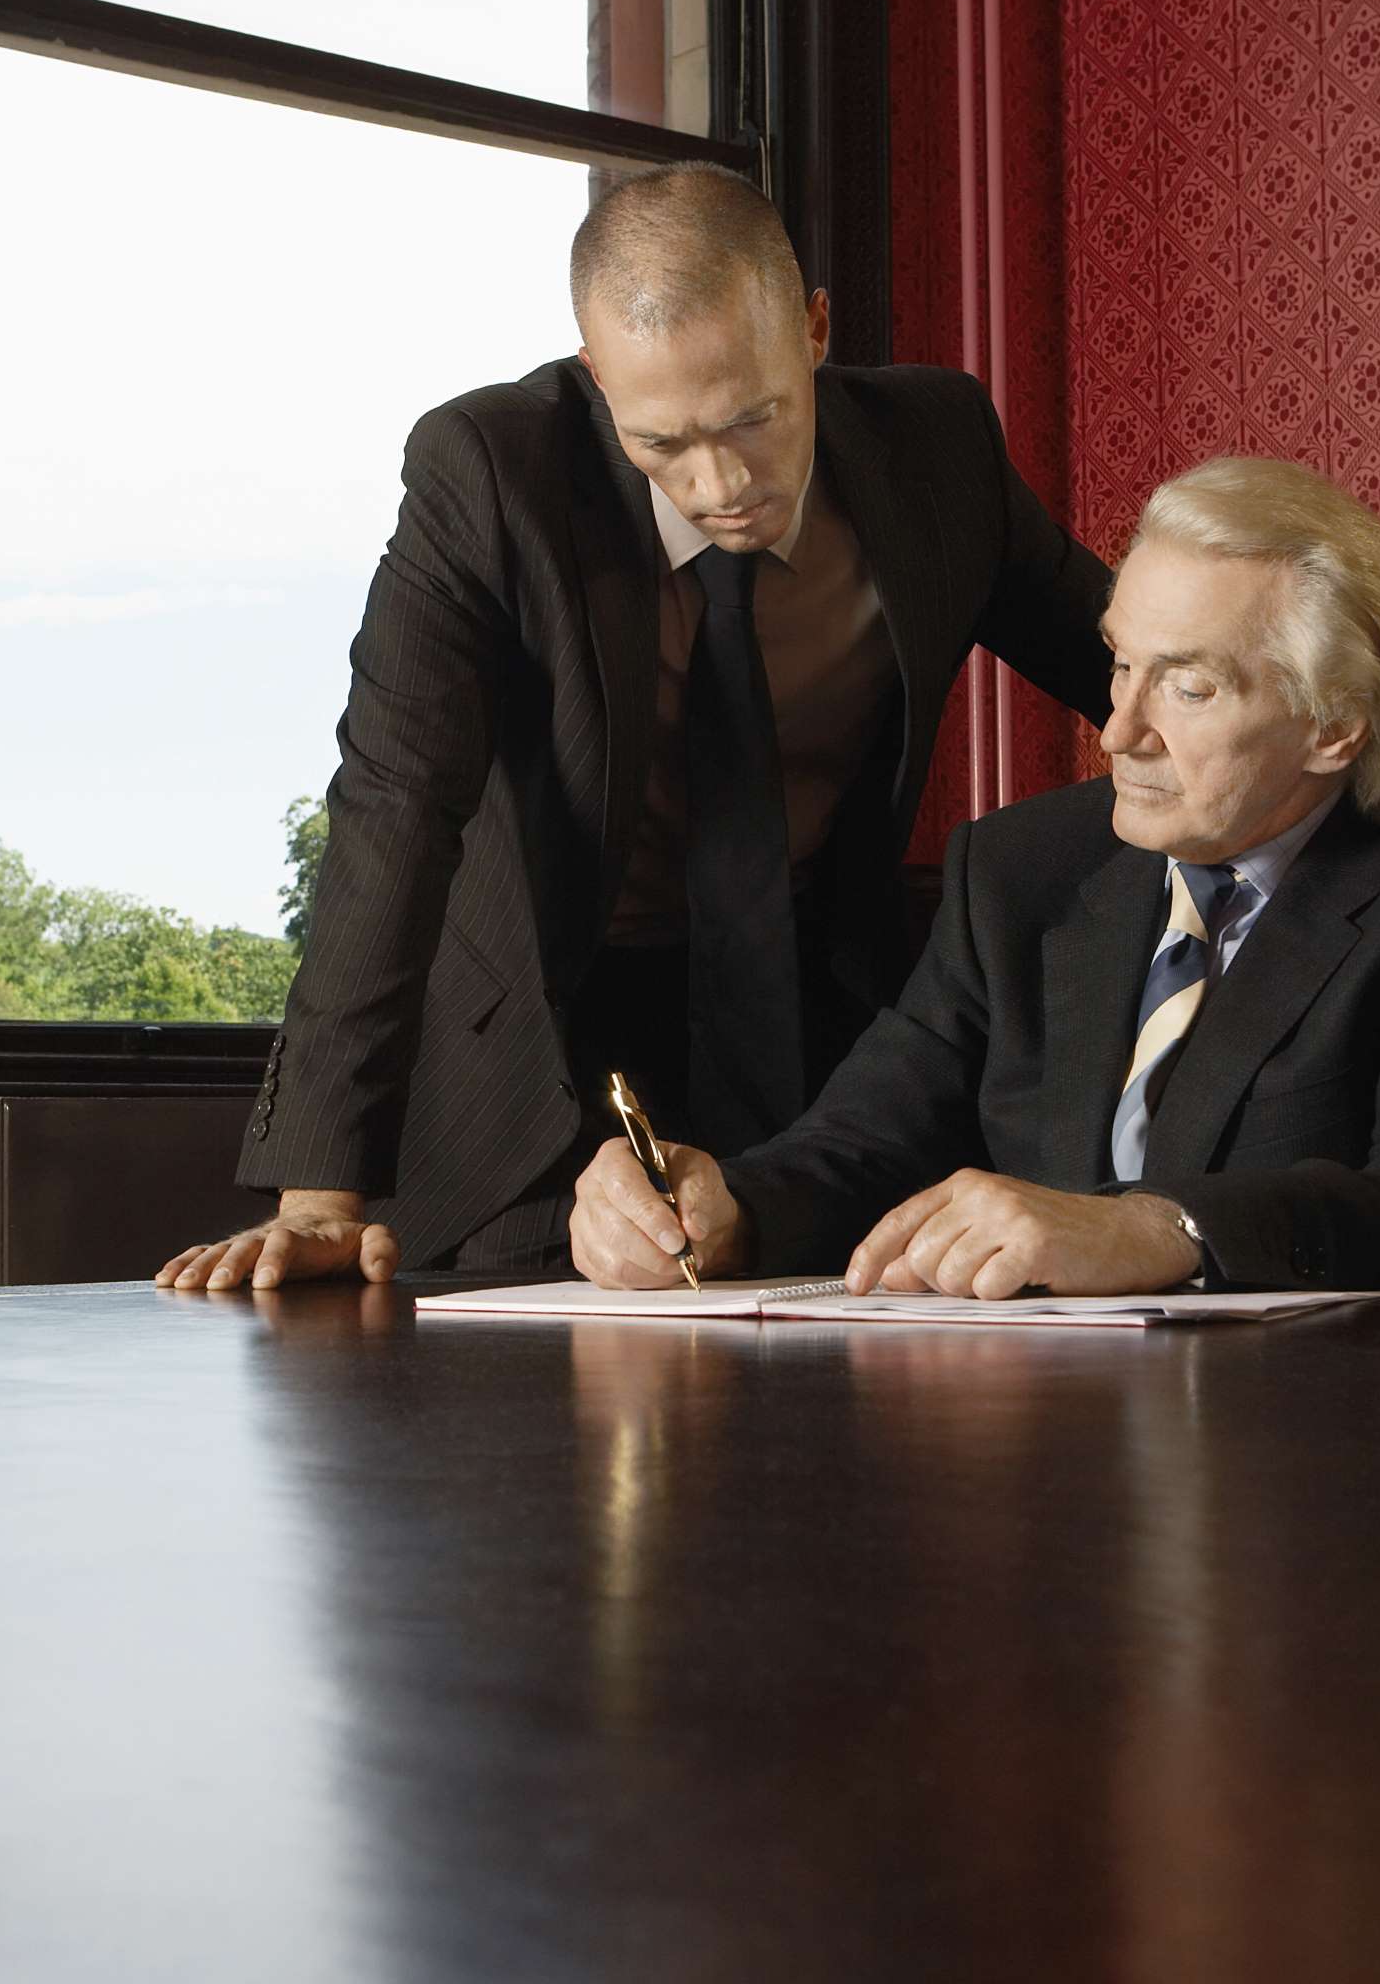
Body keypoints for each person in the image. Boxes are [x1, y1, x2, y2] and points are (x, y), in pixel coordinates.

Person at [159, 164, 1115, 1290]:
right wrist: (319, 1195)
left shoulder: (936, 450)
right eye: (661, 441)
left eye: (754, 421)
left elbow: (1137, 667)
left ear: (813, 329)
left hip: (829, 1032)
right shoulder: (487, 475)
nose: (721, 484)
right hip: (549, 1043)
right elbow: (393, 808)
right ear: (594, 375)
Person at [569, 457, 1380, 1300]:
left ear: (1334, 725)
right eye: (1119, 663)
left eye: (1189, 685)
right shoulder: (1020, 870)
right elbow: (860, 1144)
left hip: (1325, 1469)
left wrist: (1157, 1229)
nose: (1120, 731)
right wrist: (718, 1209)